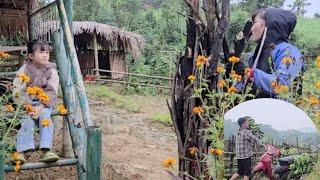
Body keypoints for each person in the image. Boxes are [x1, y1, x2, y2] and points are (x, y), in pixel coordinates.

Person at [234, 8, 304, 98]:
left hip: (281, 110)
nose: (251, 29)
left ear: (268, 24)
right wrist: (234, 74)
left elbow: (281, 85)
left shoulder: (289, 52)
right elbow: (244, 88)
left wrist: (251, 72)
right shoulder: (256, 54)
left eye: (254, 22)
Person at [12, 39, 59, 164]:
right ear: (31, 56)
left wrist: (41, 106)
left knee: (46, 119)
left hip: (44, 105)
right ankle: (21, 152)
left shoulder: (51, 71)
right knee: (27, 120)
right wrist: (27, 106)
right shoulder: (24, 70)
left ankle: (46, 150)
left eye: (47, 53)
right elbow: (18, 90)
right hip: (27, 104)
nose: (45, 55)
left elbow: (52, 91)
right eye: (41, 52)